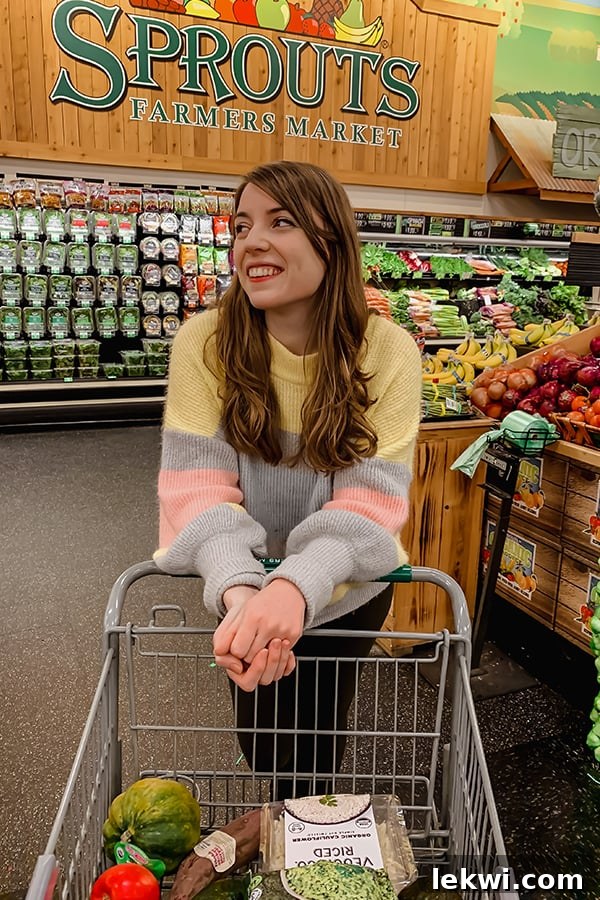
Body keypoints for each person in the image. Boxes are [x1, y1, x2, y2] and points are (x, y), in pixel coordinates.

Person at [154, 160, 421, 797]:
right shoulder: (205, 342)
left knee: (317, 738)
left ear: (331, 240)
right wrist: (244, 594)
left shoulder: (386, 351)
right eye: (242, 225)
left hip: (344, 586)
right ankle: (286, 825)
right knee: (263, 734)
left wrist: (296, 588)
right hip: (242, 578)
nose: (252, 241)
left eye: (280, 221)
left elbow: (368, 503)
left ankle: (300, 836)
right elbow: (197, 490)